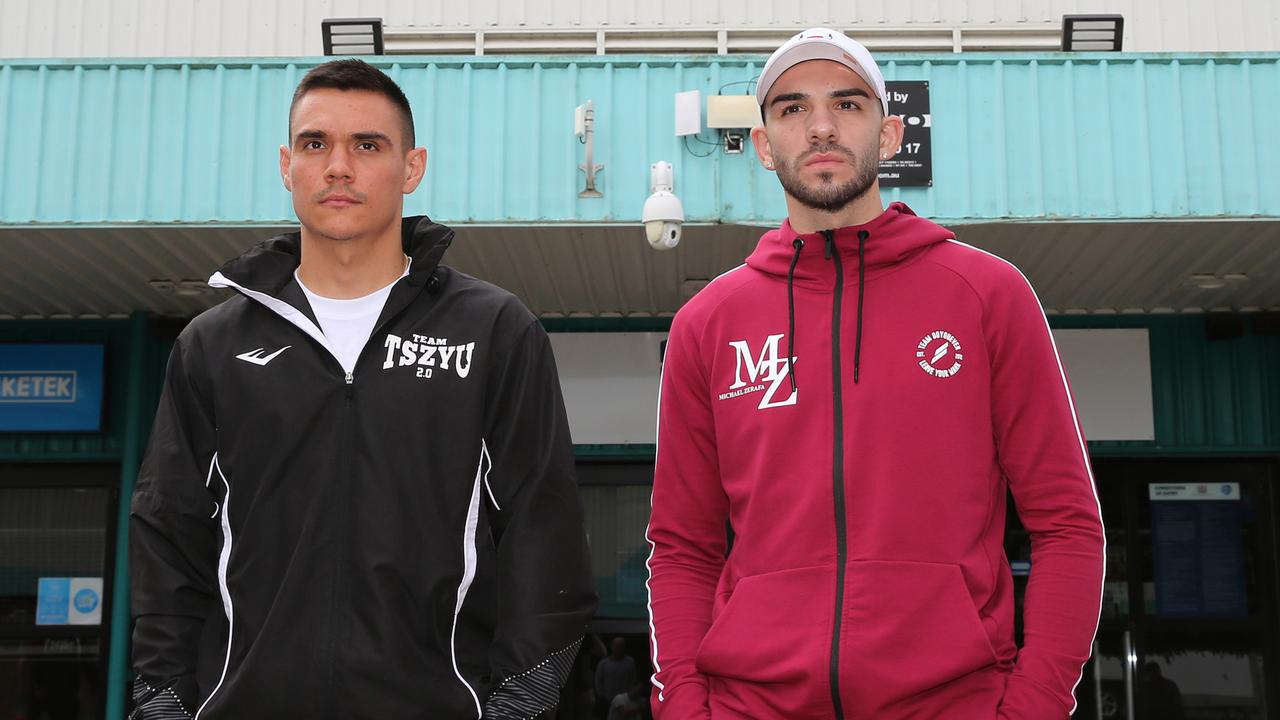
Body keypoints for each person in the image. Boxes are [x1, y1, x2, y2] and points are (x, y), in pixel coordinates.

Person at [645, 28, 1105, 719]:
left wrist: (1036, 705)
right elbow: (683, 546)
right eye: (793, 108)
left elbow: (1068, 525)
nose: (822, 126)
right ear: (764, 146)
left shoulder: (987, 294)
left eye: (849, 104)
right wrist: (683, 706)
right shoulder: (708, 323)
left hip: (953, 703)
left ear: (889, 136)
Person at [129, 59, 596, 719]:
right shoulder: (211, 345)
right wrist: (162, 702)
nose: (338, 167)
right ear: (288, 165)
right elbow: (168, 537)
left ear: (412, 167)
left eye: (367, 146)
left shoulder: (493, 330)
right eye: (316, 144)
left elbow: (543, 534)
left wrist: (521, 705)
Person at [595, 637, 638, 718]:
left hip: (623, 699)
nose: (618, 648)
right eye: (616, 646)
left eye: (621, 646)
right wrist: (601, 694)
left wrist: (629, 694)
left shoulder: (629, 662)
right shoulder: (603, 664)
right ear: (612, 646)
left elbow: (632, 679)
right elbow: (598, 680)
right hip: (607, 699)